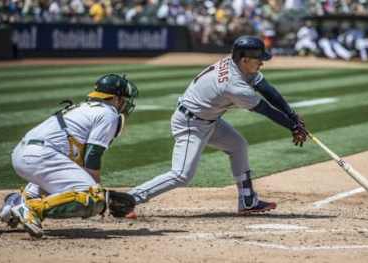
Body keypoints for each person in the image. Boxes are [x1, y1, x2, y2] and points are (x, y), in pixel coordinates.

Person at [128, 35, 308, 214]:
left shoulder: (235, 63)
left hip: (208, 121)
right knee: (181, 175)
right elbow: (265, 109)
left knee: (238, 146)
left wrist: (292, 116)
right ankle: (129, 199)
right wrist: (292, 127)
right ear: (245, 59)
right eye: (259, 59)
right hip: (190, 124)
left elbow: (267, 89)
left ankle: (247, 200)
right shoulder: (233, 85)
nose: (262, 63)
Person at [0, 74, 139, 238]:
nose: (125, 104)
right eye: (124, 99)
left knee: (60, 185)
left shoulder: (83, 107)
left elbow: (75, 159)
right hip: (42, 156)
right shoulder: (108, 113)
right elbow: (92, 155)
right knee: (93, 197)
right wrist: (97, 189)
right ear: (116, 99)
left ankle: (14, 204)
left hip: (24, 154)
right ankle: (33, 208)